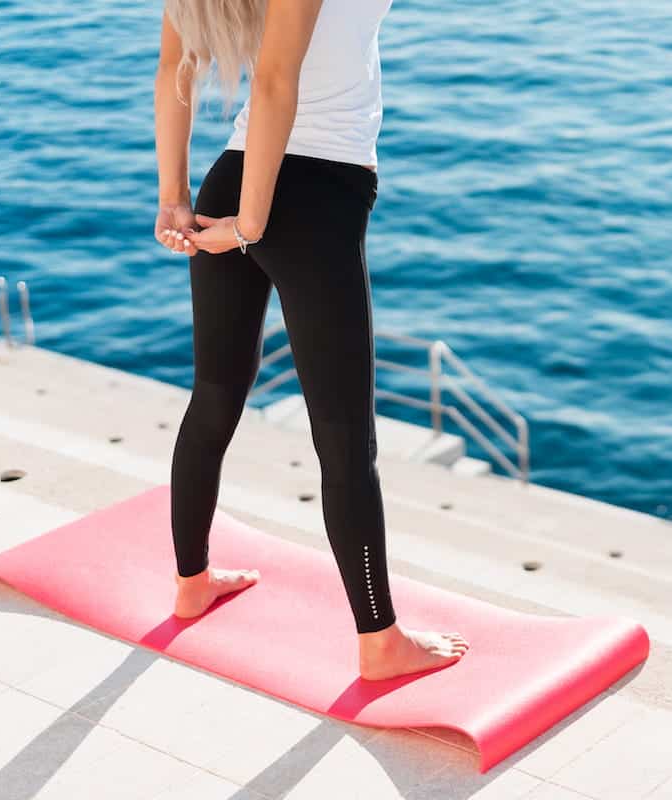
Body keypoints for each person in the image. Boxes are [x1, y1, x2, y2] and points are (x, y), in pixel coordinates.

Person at [152, 0, 468, 681]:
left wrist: (173, 196)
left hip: (233, 173)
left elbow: (177, 66)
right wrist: (252, 225)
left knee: (213, 398)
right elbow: (273, 80)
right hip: (310, 198)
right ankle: (380, 640)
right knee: (345, 437)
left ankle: (191, 583)